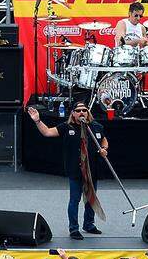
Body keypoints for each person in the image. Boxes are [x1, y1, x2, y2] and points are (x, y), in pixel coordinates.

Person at [27, 102, 108, 240]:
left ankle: (89, 224)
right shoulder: (67, 127)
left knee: (91, 198)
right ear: (73, 113)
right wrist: (37, 121)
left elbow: (104, 140)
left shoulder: (96, 127)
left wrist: (104, 149)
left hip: (92, 169)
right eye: (78, 110)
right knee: (74, 200)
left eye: (84, 110)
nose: (82, 112)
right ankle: (74, 228)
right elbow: (47, 132)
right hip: (75, 170)